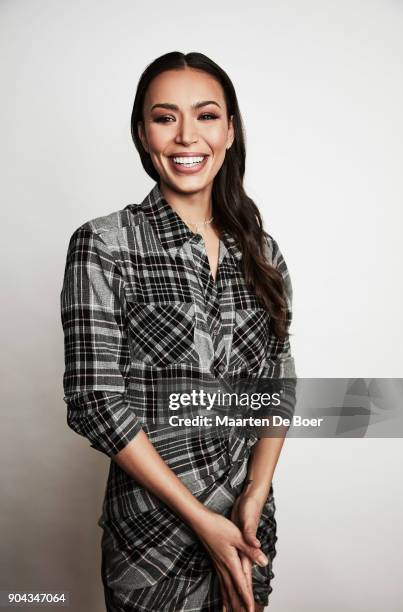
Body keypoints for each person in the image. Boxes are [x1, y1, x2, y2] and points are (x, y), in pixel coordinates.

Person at [60, 51, 296, 612]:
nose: (187, 136)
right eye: (165, 118)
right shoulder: (105, 244)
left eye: (207, 115)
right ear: (143, 135)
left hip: (247, 531)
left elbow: (278, 386)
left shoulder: (262, 254)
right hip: (153, 546)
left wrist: (254, 496)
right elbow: (94, 400)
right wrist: (201, 520)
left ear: (231, 130)